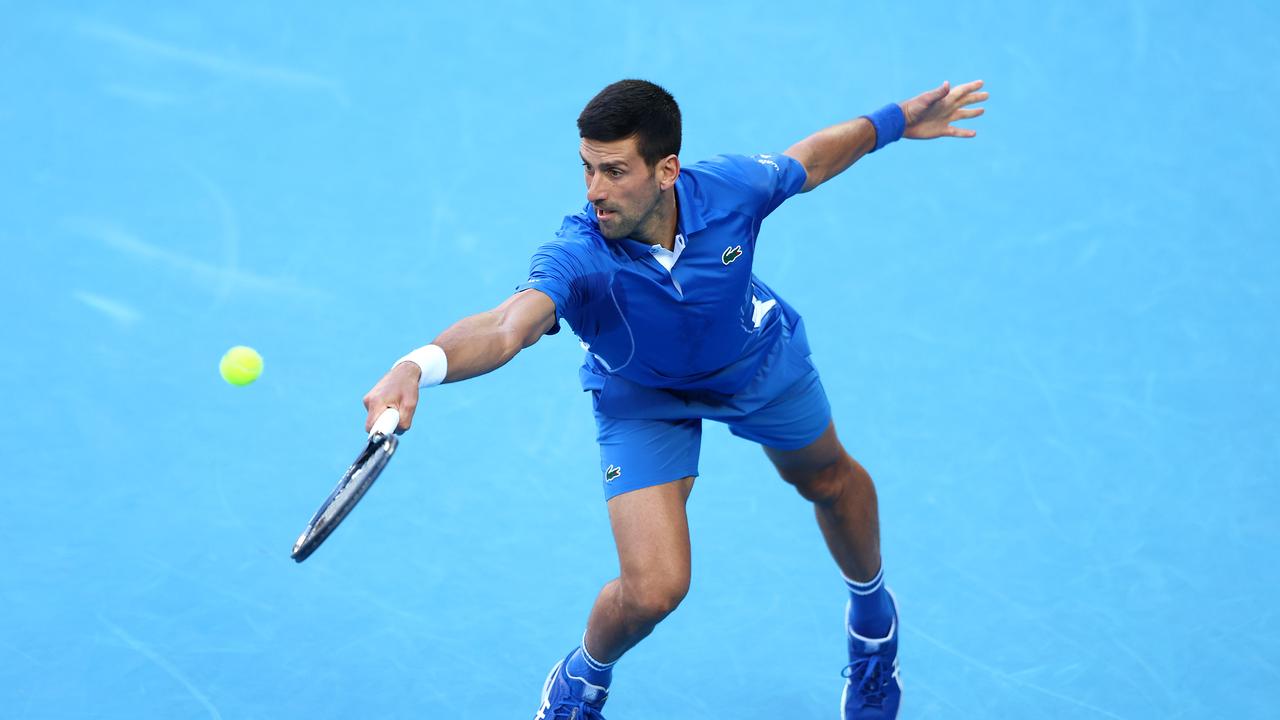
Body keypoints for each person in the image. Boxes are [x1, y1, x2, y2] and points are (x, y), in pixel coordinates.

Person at [362, 77, 987, 719]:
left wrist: (894, 120)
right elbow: (506, 325)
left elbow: (813, 158)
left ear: (667, 170)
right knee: (654, 589)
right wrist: (418, 364)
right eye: (586, 168)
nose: (594, 190)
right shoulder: (578, 252)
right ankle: (582, 680)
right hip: (642, 398)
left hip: (754, 362)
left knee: (830, 479)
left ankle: (874, 627)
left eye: (613, 170)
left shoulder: (728, 189)